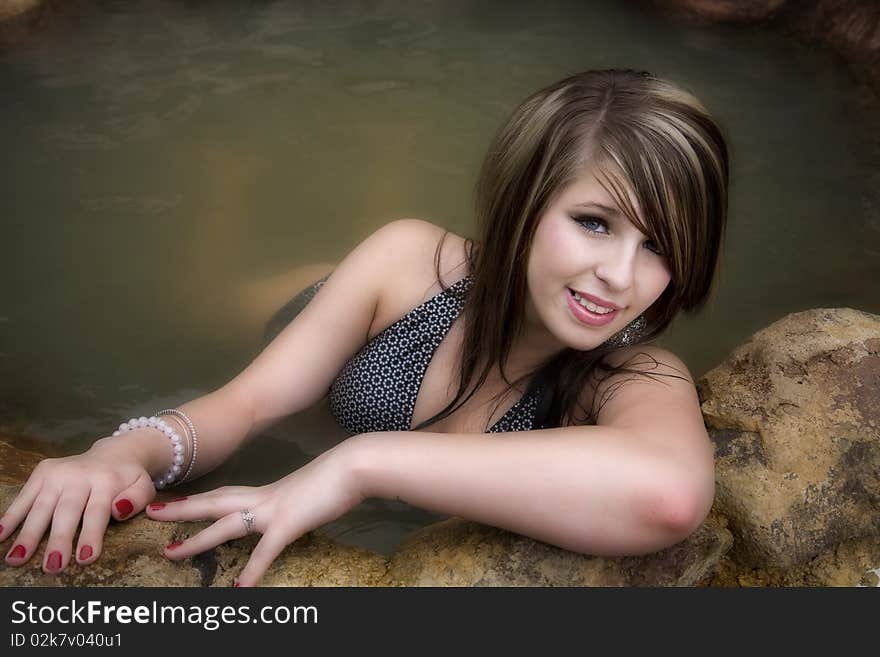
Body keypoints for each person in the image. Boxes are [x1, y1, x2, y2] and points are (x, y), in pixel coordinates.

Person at [0, 68, 728, 587]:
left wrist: (362, 461)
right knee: (200, 291)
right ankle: (226, 181)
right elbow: (247, 404)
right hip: (345, 302)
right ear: (525, 203)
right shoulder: (412, 258)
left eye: (658, 244)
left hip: (378, 331)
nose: (621, 276)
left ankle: (386, 153)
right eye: (594, 223)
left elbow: (669, 495)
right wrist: (117, 448)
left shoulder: (630, 376)